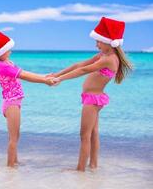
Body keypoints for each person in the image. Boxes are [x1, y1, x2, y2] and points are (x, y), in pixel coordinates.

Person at [49, 17, 133, 171]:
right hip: (94, 98)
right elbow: (79, 64)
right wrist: (57, 73)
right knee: (93, 133)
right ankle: (93, 166)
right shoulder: (103, 56)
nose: (96, 44)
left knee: (84, 135)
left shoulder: (109, 59)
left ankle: (80, 170)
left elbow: (83, 70)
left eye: (99, 41)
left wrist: (60, 79)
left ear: (109, 42)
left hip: (93, 100)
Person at [0, 31, 54, 167]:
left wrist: (44, 76)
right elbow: (24, 75)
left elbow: (24, 71)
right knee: (14, 138)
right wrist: (44, 81)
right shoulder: (2, 67)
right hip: (11, 103)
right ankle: (10, 168)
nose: (10, 52)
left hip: (14, 102)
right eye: (8, 50)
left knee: (15, 137)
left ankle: (15, 162)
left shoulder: (4, 63)